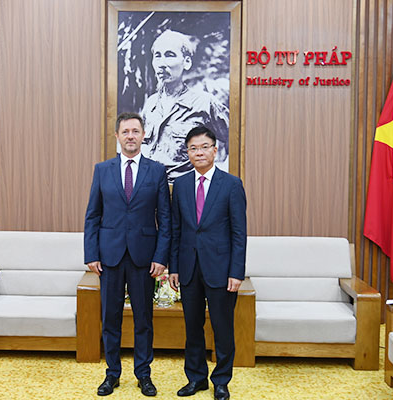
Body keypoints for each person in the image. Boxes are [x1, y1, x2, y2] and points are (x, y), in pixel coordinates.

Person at [84, 112, 171, 397]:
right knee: (110, 318)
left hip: (144, 258)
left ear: (143, 135)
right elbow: (93, 215)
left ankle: (143, 374)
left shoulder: (157, 171)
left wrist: (161, 257)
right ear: (117, 136)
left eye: (135, 131)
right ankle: (112, 374)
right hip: (109, 255)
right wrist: (91, 253)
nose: (130, 136)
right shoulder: (102, 170)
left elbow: (165, 219)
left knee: (143, 319)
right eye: (125, 131)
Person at [169, 125, 246, 400]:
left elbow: (239, 233)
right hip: (188, 268)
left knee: (222, 328)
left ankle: (221, 381)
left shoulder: (232, 185)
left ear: (215, 150)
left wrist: (237, 272)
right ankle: (196, 378)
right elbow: (176, 229)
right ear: (187, 153)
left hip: (221, 270)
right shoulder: (180, 185)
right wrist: (174, 267)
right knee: (192, 327)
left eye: (204, 147)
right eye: (193, 148)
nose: (199, 152)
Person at [141, 30, 229, 182]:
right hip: (149, 189)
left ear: (186, 62)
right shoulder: (151, 104)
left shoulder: (204, 103)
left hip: (184, 191)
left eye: (170, 55)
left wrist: (223, 179)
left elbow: (236, 138)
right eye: (157, 56)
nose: (162, 64)